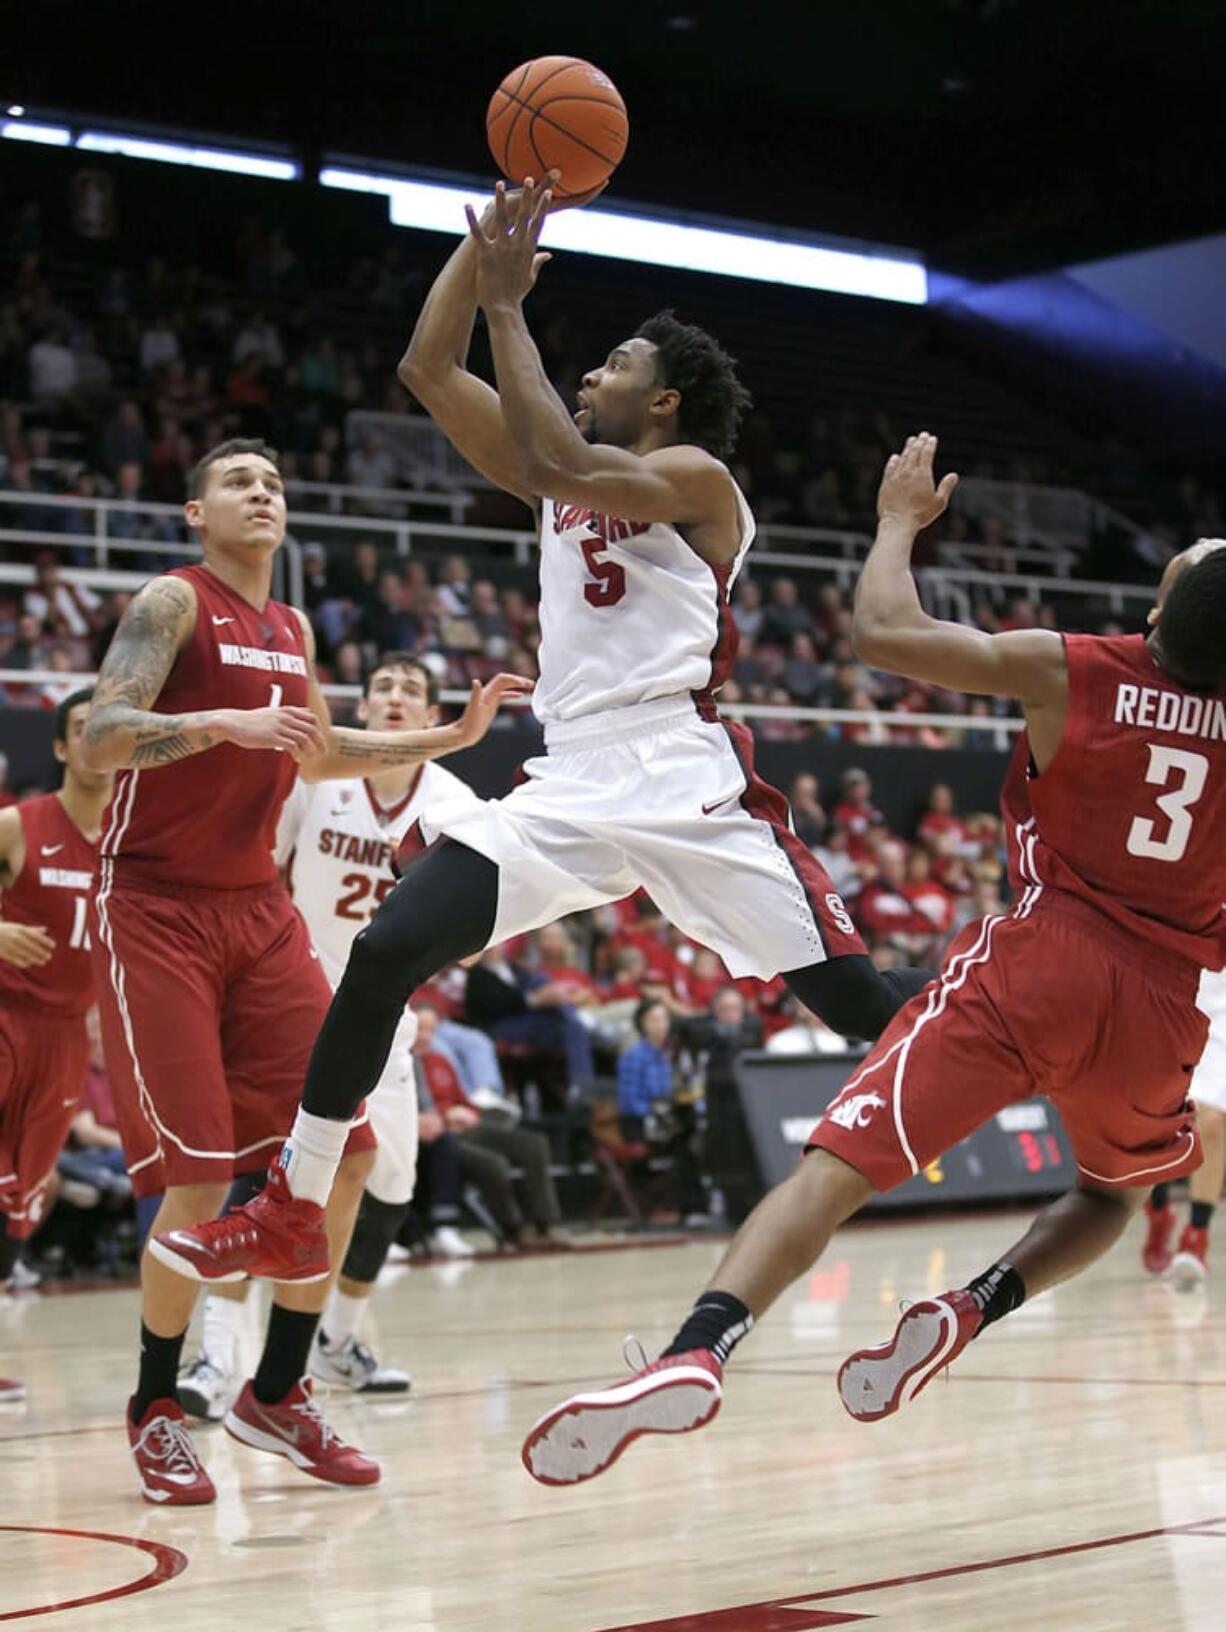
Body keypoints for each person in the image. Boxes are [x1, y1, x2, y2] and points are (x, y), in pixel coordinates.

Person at [151, 178, 931, 1294]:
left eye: (614, 364)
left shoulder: (696, 479)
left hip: (679, 772)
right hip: (568, 781)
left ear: (662, 402)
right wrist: (481, 253)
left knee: (856, 1003)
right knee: (383, 953)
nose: (591, 373)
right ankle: (290, 1203)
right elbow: (428, 369)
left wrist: (512, 309)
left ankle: (1042, 1000)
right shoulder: (560, 480)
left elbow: (561, 458)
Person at [518, 437, 1226, 1485]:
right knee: (1109, 1198)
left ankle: (696, 1350)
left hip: (1042, 958)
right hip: (1164, 1001)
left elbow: (882, 634)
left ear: (1160, 611)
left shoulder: (1069, 666)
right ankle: (972, 1303)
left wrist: (897, 519)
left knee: (830, 1176)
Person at [80, 437, 526, 1504]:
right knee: (199, 1175)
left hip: (257, 914)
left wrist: (441, 738)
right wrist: (213, 724)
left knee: (348, 1156)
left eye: (275, 482)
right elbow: (99, 737)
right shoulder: (171, 603)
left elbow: (317, 752)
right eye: (239, 482)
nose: (263, 493)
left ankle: (276, 1391)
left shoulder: (289, 628)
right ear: (196, 513)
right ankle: (155, 1404)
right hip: (156, 907)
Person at [177, 649, 483, 1415]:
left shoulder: (452, 798)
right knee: (265, 1177)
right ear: (365, 704)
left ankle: (337, 1340)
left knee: (389, 1187)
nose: (393, 697)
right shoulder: (317, 773)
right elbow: (255, 870)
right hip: (293, 1002)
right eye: (382, 685)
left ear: (429, 714)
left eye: (411, 689)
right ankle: (217, 1354)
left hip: (387, 1016)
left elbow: (477, 934)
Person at [0, 689, 112, 1402]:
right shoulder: (17, 825)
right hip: (5, 1014)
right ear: (64, 749)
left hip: (69, 1036)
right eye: (83, 730)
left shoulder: (140, 843)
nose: (99, 741)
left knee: (23, 1205)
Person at [1142, 966, 1226, 1287]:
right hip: (1166, 994)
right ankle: (1158, 1210)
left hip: (1220, 1003)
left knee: (1214, 1120)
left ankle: (1196, 1236)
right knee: (1153, 1124)